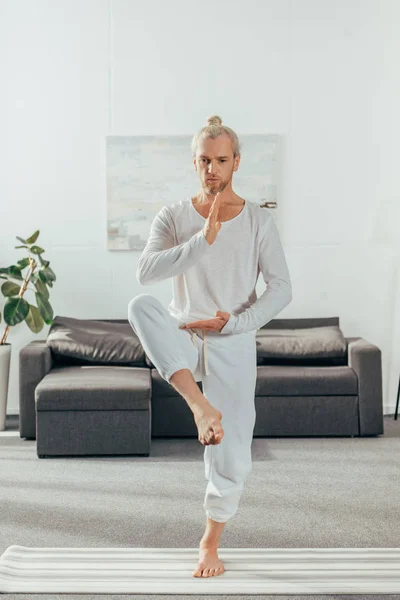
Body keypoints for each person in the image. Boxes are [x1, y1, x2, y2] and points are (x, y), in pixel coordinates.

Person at [128, 115, 292, 578]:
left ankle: (209, 542)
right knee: (141, 305)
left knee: (232, 451)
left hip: (231, 339)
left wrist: (235, 321)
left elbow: (281, 288)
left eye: (221, 160)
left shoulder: (260, 219)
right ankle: (200, 406)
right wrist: (205, 239)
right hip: (182, 337)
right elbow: (146, 273)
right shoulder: (174, 216)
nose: (212, 169)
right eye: (204, 160)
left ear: (236, 161)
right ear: (194, 162)